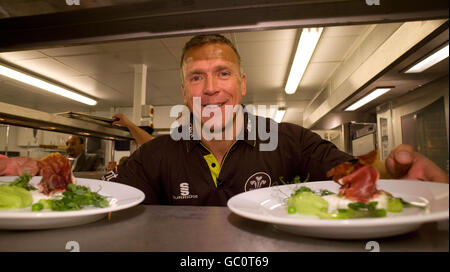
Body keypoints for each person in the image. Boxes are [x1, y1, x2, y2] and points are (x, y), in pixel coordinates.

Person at [110, 34, 448, 206]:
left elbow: (351, 173)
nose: (211, 88)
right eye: (197, 78)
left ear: (241, 83)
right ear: (185, 92)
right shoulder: (156, 156)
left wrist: (394, 171)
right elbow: (111, 202)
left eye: (223, 73)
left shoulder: (291, 140)